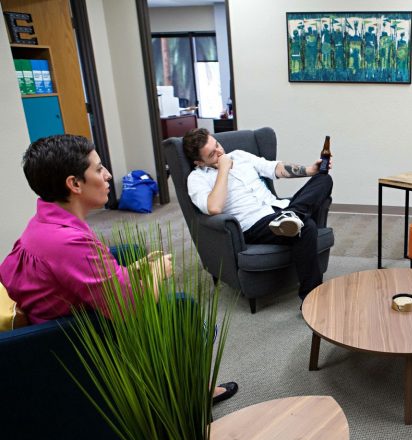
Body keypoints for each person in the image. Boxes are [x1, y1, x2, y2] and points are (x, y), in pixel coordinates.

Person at [0, 134, 237, 404]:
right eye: (99, 168)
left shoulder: (43, 223)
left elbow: (75, 279)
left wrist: (131, 270)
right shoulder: (68, 243)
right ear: (74, 184)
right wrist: (157, 271)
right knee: (183, 307)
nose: (109, 175)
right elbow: (131, 306)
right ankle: (196, 392)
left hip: (59, 319)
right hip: (73, 341)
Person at [183, 127, 333, 302]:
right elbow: (214, 207)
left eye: (217, 145)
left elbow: (274, 168)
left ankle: (294, 214)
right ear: (199, 162)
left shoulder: (240, 155)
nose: (220, 152)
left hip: (279, 210)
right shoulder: (197, 179)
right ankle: (312, 299)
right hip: (253, 225)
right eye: (211, 155)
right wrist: (223, 169)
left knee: (324, 179)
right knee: (306, 227)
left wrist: (309, 170)